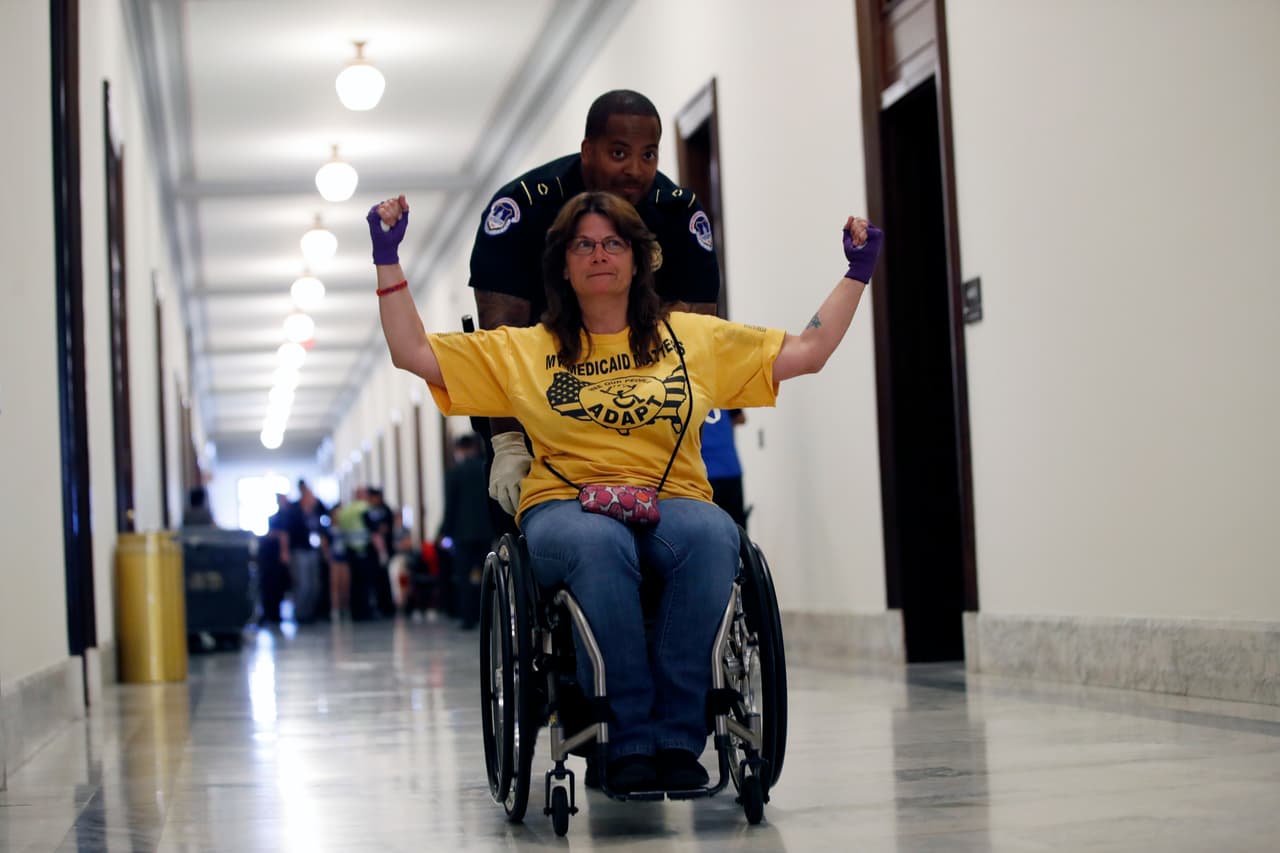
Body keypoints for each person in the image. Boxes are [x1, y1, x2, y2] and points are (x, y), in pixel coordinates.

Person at [369, 190, 882, 793]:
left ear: (639, 258)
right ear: (563, 263)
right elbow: (413, 353)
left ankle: (677, 738)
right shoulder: (525, 348)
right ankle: (627, 737)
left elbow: (807, 351)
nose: (599, 255)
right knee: (599, 546)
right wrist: (387, 258)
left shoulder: (692, 339)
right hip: (566, 505)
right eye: (582, 244)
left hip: (675, 499)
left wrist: (857, 271)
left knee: (714, 537)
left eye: (613, 243)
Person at [469, 89, 722, 520]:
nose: (635, 170)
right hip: (541, 409)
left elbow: (694, 342)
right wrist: (508, 443)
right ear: (588, 150)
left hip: (645, 410)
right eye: (619, 153)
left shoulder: (678, 215)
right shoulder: (525, 209)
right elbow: (500, 342)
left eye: (648, 155)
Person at [437, 433, 496, 629]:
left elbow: (450, 505)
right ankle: (486, 616)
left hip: (461, 533)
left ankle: (467, 617)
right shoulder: (485, 469)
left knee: (463, 576)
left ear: (459, 450)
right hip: (485, 530)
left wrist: (444, 530)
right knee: (485, 574)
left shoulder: (454, 473)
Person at [700, 408, 748, 528]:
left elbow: (742, 419)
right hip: (728, 468)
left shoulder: (689, 398)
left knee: (712, 528)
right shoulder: (725, 394)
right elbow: (741, 418)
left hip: (707, 473)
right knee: (736, 526)